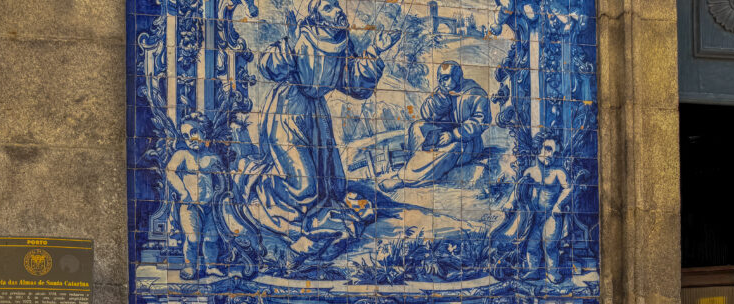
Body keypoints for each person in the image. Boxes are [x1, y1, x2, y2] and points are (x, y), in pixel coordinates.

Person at [233, 0, 401, 256]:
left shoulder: (342, 41)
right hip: (287, 112)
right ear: (316, 16)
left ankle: (310, 216)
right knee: (305, 187)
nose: (338, 10)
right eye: (328, 7)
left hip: (316, 117)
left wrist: (376, 49)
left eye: (336, 5)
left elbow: (354, 84)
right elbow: (268, 67)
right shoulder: (301, 36)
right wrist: (289, 46)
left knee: (334, 186)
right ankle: (257, 183)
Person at [379, 61, 491, 192]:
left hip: (467, 142)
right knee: (418, 126)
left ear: (457, 76)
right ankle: (415, 164)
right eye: (439, 78)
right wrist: (440, 98)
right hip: (445, 133)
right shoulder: (443, 91)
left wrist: (454, 135)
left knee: (453, 147)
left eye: (445, 78)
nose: (441, 82)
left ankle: (404, 179)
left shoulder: (476, 93)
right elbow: (426, 115)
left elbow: (480, 122)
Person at [488, 132, 572, 282]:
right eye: (547, 149)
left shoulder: (558, 172)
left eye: (554, 152)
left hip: (552, 215)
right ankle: (533, 271)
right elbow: (519, 189)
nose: (550, 155)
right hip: (533, 216)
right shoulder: (530, 172)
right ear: (538, 148)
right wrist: (510, 203)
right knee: (532, 245)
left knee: (550, 245)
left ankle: (552, 273)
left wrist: (559, 205)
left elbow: (569, 188)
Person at [165, 115, 222, 280]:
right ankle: (189, 266)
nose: (190, 138)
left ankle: (211, 266)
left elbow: (222, 180)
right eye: (185, 136)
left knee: (211, 238)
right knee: (192, 238)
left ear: (204, 131)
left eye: (194, 132)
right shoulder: (182, 154)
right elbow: (170, 172)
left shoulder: (213, 157)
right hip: (189, 205)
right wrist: (183, 192)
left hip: (210, 206)